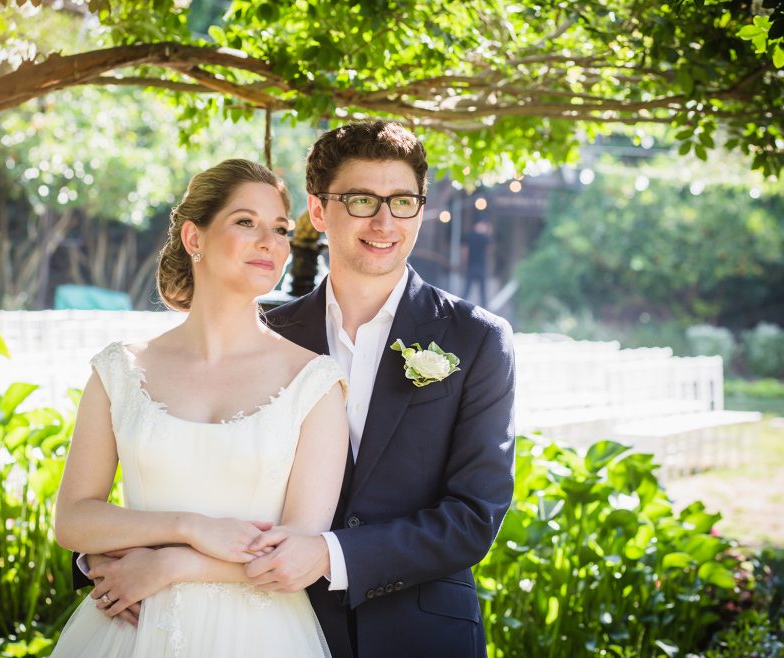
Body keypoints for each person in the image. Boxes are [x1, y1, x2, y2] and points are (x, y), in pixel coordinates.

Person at [83, 121, 517, 658]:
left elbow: (473, 517)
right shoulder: (270, 336)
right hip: (276, 624)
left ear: (421, 211)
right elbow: (183, 461)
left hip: (421, 633)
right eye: (361, 200)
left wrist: (331, 555)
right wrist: (103, 557)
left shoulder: (476, 339)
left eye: (403, 201)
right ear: (318, 212)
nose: (385, 221)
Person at [51, 158, 348, 657]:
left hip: (260, 635)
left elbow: (298, 551)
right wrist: (188, 527)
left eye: (278, 229)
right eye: (245, 222)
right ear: (194, 239)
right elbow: (73, 520)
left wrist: (173, 564)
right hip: (127, 630)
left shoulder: (313, 382)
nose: (269, 242)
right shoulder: (119, 371)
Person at [462, 218, 493, 306]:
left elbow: (465, 251)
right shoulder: (486, 238)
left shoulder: (470, 236)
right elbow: (489, 252)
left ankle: (460, 307)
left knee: (467, 291)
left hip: (472, 266)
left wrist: (464, 263)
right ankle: (485, 310)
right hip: (480, 266)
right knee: (482, 292)